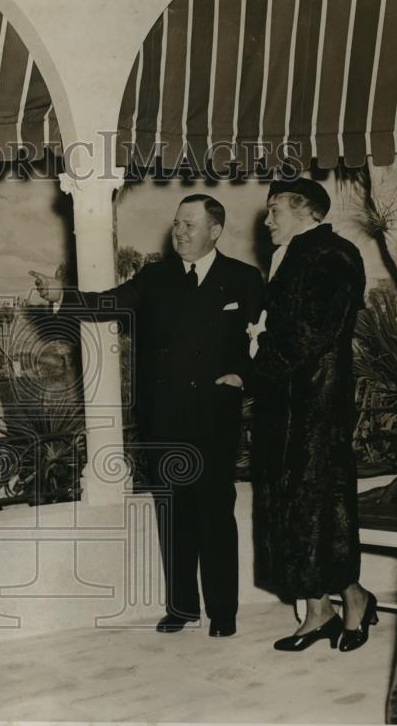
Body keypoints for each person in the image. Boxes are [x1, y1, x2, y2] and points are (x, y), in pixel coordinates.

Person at [32, 194, 264, 637]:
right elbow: (109, 303)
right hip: (163, 418)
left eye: (190, 225)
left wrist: (244, 376)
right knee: (173, 511)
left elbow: (267, 337)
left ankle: (223, 613)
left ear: (215, 230)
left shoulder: (244, 279)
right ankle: (181, 607)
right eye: (177, 223)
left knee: (215, 512)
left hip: (215, 416)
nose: (180, 231)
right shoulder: (156, 277)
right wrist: (63, 295)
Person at [248, 177, 375, 652]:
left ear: (305, 212)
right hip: (287, 405)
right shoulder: (294, 254)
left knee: (322, 504)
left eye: (274, 211)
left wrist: (256, 369)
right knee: (293, 505)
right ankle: (319, 610)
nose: (266, 221)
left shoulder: (333, 254)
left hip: (317, 405)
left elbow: (313, 331)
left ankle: (355, 599)